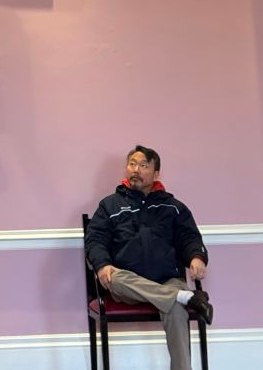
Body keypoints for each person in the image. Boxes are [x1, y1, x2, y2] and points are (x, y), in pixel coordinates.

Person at [85, 145, 213, 370]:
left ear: (156, 174)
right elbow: (95, 240)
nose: (136, 169)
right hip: (127, 284)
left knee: (175, 309)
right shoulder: (109, 206)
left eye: (143, 165)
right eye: (132, 164)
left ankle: (178, 299)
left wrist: (197, 257)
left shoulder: (173, 207)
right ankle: (183, 296)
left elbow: (190, 237)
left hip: (166, 280)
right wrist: (103, 265)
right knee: (114, 277)